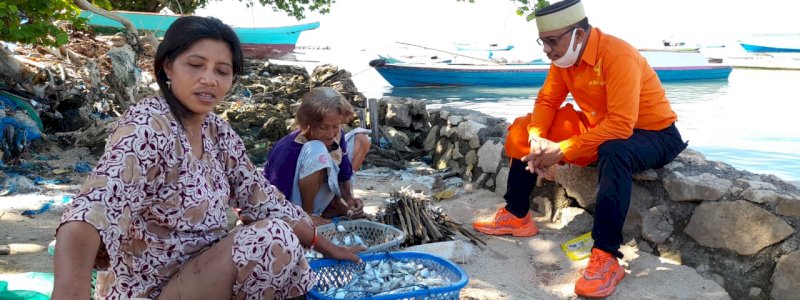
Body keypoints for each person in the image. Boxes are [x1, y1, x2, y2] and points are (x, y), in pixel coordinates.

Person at [52, 16, 365, 300]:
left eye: (222, 71)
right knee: (272, 238)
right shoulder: (148, 125)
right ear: (167, 67)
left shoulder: (218, 132)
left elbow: (262, 198)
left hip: (202, 276)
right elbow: (95, 207)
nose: (209, 79)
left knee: (281, 240)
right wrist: (71, 291)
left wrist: (326, 246)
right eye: (196, 65)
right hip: (149, 289)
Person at [471, 0, 687, 298]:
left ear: (578, 35)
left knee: (615, 150)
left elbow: (622, 125)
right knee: (523, 126)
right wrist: (538, 139)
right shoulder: (564, 61)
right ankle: (517, 215)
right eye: (542, 42)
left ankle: (606, 256)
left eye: (552, 41)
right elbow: (547, 102)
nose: (546, 49)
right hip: (600, 126)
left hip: (654, 134)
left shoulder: (617, 54)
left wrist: (561, 150)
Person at [263, 87, 371, 226]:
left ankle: (333, 204)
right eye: (323, 127)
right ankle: (309, 216)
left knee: (361, 138)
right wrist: (302, 217)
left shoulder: (337, 135)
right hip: (290, 204)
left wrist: (350, 200)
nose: (331, 134)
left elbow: (344, 172)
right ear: (307, 124)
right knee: (317, 150)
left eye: (335, 126)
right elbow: (276, 196)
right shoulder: (287, 149)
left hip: (320, 195)